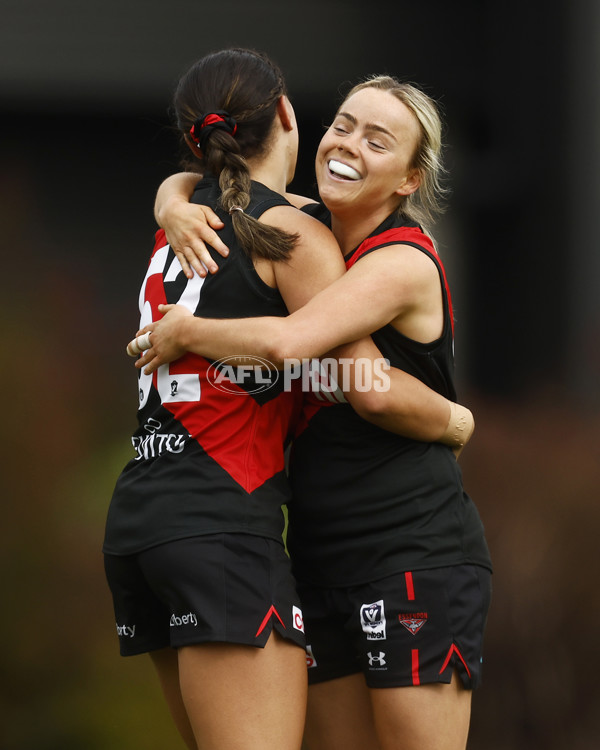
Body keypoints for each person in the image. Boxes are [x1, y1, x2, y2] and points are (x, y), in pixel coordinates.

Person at [105, 49, 475, 750]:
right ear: (292, 118)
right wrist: (171, 200)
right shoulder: (286, 229)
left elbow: (345, 374)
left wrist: (456, 419)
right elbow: (328, 366)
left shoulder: (383, 256)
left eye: (379, 139)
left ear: (411, 179)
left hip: (394, 544)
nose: (350, 144)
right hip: (274, 541)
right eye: (346, 124)